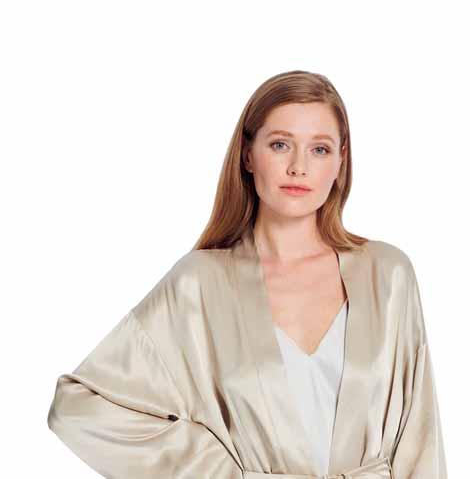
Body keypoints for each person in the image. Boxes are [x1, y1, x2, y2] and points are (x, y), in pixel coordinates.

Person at [47, 70, 448, 478]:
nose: (298, 167)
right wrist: (214, 468)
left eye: (319, 149)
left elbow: (421, 443)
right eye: (280, 144)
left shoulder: (387, 275)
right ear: (248, 155)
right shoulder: (200, 284)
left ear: (340, 161)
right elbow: (79, 407)